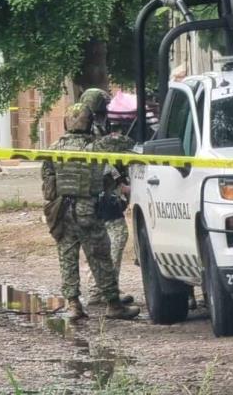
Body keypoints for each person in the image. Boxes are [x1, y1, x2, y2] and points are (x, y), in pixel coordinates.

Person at [41, 103, 140, 321]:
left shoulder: (53, 148)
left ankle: (74, 304)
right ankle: (113, 304)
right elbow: (127, 143)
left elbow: (48, 186)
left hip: (61, 211)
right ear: (89, 122)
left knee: (67, 257)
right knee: (100, 257)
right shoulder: (96, 146)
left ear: (66, 122)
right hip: (88, 210)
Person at [80, 88, 136, 305]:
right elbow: (102, 162)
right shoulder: (92, 131)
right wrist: (119, 182)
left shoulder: (90, 128)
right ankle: (106, 289)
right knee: (117, 235)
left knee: (100, 242)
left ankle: (99, 289)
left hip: (94, 192)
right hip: (101, 192)